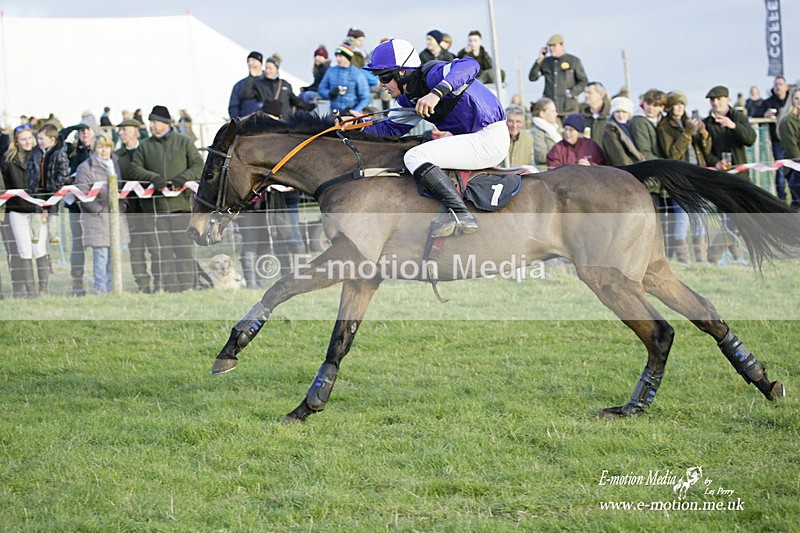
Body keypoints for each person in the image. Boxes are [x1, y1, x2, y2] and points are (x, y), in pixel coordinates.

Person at [363, 38, 508, 237]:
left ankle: (461, 214)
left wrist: (436, 93)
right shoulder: (407, 99)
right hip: (475, 139)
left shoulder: (433, 74)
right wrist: (351, 128)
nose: (381, 84)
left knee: (414, 157)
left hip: (488, 137)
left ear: (402, 72)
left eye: (384, 77)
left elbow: (471, 64)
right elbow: (390, 129)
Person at [128, 105, 203, 292]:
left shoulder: (184, 142)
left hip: (182, 207)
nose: (151, 126)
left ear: (166, 123)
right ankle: (167, 288)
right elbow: (135, 168)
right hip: (156, 209)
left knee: (184, 248)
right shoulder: (144, 146)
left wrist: (183, 177)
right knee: (162, 251)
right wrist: (153, 178)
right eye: (150, 122)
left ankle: (187, 286)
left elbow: (199, 165)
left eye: (155, 122)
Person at [657, 91, 712, 263]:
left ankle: (702, 260)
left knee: (700, 219)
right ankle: (684, 261)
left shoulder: (689, 121)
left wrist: (703, 133)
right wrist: (687, 133)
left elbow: (706, 150)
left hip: (697, 176)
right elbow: (672, 154)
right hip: (680, 178)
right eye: (676, 104)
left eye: (682, 104)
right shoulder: (665, 126)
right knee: (682, 220)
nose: (680, 107)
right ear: (670, 107)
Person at [74, 132, 129, 295]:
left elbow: (121, 189)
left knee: (115, 257)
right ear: (93, 148)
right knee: (101, 257)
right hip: (97, 219)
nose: (104, 151)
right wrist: (99, 210)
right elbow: (81, 195)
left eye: (107, 147)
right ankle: (100, 290)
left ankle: (114, 290)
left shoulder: (114, 164)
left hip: (116, 217)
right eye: (100, 147)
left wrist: (123, 204)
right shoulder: (85, 168)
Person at [26, 123, 69, 294]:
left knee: (52, 214)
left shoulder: (59, 154)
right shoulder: (36, 154)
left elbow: (63, 173)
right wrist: (32, 187)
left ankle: (53, 234)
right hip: (37, 192)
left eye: (41, 138)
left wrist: (54, 187)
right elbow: (31, 171)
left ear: (52, 139)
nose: (38, 141)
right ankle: (36, 234)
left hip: (52, 191)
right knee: (36, 214)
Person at [116, 117, 157, 293]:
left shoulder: (148, 149)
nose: (120, 132)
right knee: (136, 250)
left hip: (151, 208)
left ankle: (160, 282)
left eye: (124, 129)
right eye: (120, 130)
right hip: (131, 211)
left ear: (135, 131)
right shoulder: (117, 156)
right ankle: (142, 284)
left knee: (156, 247)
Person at [1, 124, 38, 297]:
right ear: (16, 141)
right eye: (24, 139)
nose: (28, 142)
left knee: (38, 248)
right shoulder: (8, 161)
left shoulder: (38, 157)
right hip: (15, 209)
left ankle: (41, 288)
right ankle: (20, 289)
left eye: (30, 138)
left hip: (36, 209)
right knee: (16, 250)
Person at [61, 123, 95, 296]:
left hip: (96, 206)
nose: (85, 133)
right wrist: (72, 127)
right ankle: (77, 282)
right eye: (82, 130)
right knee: (77, 244)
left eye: (88, 129)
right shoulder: (72, 151)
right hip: (75, 205)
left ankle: (102, 281)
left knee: (100, 244)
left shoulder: (99, 150)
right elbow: (57, 139)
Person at [528, 34, 588, 117]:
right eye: (550, 46)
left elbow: (583, 81)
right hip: (550, 109)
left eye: (554, 46)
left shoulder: (573, 61)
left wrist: (572, 92)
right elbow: (532, 77)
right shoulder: (546, 62)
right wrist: (539, 60)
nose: (551, 48)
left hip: (568, 108)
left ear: (562, 45)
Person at [703, 85, 756, 170]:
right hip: (718, 173)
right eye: (712, 100)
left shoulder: (739, 117)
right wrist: (716, 162)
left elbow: (751, 140)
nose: (715, 103)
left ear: (727, 99)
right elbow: (705, 150)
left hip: (739, 172)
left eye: (719, 99)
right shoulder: (706, 123)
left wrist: (734, 126)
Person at [317, 44, 371, 116]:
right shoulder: (331, 71)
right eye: (336, 56)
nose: (337, 59)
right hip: (334, 113)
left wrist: (354, 111)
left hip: (351, 115)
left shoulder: (358, 74)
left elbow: (365, 97)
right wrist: (329, 94)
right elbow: (321, 88)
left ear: (347, 57)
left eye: (340, 56)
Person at [760, 76, 790, 201]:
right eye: (776, 84)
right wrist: (765, 115)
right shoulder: (768, 102)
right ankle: (781, 197)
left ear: (786, 87)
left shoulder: (792, 100)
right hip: (777, 139)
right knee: (780, 168)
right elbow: (756, 114)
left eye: (781, 84)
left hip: (793, 138)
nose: (778, 86)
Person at [602, 96, 645, 166]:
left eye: (624, 112)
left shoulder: (630, 127)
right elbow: (618, 157)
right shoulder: (610, 129)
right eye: (617, 112)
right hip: (624, 170)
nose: (620, 115)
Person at [777, 87, 800, 208]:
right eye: (797, 98)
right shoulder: (788, 121)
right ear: (792, 101)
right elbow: (792, 149)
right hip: (795, 170)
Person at [628, 88, 666, 161]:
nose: (650, 108)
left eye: (655, 105)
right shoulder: (639, 121)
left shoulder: (662, 120)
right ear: (643, 103)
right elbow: (644, 151)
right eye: (648, 104)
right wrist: (665, 164)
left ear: (662, 107)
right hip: (650, 164)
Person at [228, 51, 266, 119]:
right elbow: (233, 107)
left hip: (267, 123)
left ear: (261, 63)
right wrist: (237, 122)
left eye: (254, 60)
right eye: (248, 61)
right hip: (245, 124)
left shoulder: (271, 83)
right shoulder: (239, 85)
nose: (250, 63)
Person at [530, 97, 562, 171]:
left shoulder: (554, 129)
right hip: (545, 173)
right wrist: (563, 153)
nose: (556, 114)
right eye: (553, 111)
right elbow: (541, 156)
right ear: (542, 114)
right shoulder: (536, 132)